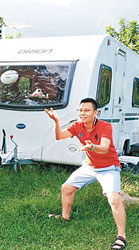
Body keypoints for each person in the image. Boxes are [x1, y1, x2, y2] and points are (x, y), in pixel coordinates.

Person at [45, 98, 127, 250]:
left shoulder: (105, 126)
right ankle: (65, 217)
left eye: (87, 110)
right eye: (81, 110)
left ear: (95, 113)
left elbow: (104, 147)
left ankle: (121, 237)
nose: (83, 113)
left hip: (109, 167)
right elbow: (59, 136)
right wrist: (56, 121)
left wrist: (92, 147)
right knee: (66, 188)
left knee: (114, 198)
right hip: (90, 167)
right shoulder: (77, 126)